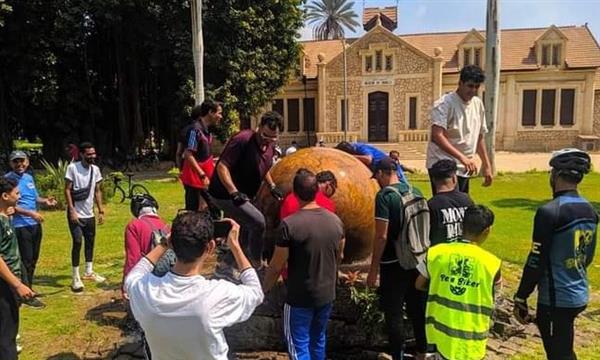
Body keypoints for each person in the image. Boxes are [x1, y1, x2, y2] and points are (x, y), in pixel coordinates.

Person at [125, 211, 263, 360]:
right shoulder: (216, 295)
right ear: (210, 247)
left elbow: (133, 275)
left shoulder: (145, 291)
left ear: (172, 243)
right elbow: (255, 292)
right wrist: (235, 246)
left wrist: (164, 244)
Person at [513, 148, 598, 360]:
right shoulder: (590, 210)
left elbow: (536, 260)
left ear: (556, 175)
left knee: (559, 354)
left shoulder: (549, 212)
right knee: (564, 350)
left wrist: (521, 297)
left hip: (555, 299)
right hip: (578, 291)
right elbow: (588, 256)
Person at [263, 169, 345, 360]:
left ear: (295, 192)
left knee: (298, 345)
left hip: (300, 296)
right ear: (317, 189)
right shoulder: (336, 221)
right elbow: (339, 255)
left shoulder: (290, 225)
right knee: (318, 339)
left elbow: (276, 265)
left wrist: (264, 289)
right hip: (326, 293)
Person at [415, 205, 501, 360]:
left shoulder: (436, 253)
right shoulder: (492, 264)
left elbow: (419, 284)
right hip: (472, 341)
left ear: (461, 225)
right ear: (487, 231)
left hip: (439, 336)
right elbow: (494, 295)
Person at [366, 157, 427, 360]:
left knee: (394, 312)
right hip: (417, 259)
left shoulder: (384, 196)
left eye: (377, 177)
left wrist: (373, 270)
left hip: (393, 262)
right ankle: (421, 350)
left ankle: (397, 355)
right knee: (416, 308)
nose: (377, 181)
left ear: (382, 173)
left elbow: (381, 236)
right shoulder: (415, 191)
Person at [209, 111, 284, 266]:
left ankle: (227, 266)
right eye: (265, 135)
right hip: (224, 194)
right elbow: (222, 166)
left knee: (243, 229)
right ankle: (256, 263)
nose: (268, 140)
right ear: (259, 127)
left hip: (244, 195)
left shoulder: (269, 147)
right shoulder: (242, 139)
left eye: (273, 137)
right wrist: (233, 192)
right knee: (258, 222)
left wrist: (272, 186)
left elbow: (263, 167)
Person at [425, 65, 492, 194]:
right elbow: (437, 136)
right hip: (442, 165)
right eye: (470, 86)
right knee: (447, 208)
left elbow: (479, 137)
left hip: (465, 166)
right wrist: (462, 158)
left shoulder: (477, 104)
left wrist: (487, 166)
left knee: (463, 207)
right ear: (460, 83)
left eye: (476, 87)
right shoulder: (445, 104)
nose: (473, 90)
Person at [5, 151, 57, 308]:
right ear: (11, 163)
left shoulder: (28, 178)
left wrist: (45, 201)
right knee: (25, 260)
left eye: (22, 161)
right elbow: (10, 205)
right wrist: (30, 213)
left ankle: (29, 288)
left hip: (34, 224)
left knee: (33, 259)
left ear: (27, 162)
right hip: (20, 225)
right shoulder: (8, 180)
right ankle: (26, 294)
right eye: (16, 162)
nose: (19, 164)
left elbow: (34, 198)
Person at [0, 177, 35, 359]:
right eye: (17, 193)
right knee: (7, 336)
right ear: (5, 196)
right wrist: (17, 285)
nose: (20, 195)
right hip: (4, 284)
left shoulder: (6, 216)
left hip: (10, 281)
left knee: (9, 330)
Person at [64, 142, 105, 292]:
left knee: (90, 241)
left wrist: (100, 210)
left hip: (90, 214)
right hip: (76, 213)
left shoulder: (95, 170)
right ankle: (75, 276)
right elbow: (67, 190)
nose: (92, 157)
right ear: (81, 154)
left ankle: (89, 271)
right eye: (89, 154)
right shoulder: (72, 168)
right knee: (77, 241)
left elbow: (97, 190)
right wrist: (72, 210)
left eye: (93, 154)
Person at [179, 100, 223, 211]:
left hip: (205, 179)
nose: (220, 116)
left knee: (214, 209)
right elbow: (188, 154)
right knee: (193, 212)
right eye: (219, 113)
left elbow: (203, 155)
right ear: (210, 112)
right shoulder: (195, 130)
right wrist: (202, 175)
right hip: (195, 180)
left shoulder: (207, 131)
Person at [123, 194, 170, 295]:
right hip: (168, 280)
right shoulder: (165, 225)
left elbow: (133, 259)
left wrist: (126, 285)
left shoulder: (134, 226)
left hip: (147, 282)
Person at [427, 159, 474, 246]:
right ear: (454, 178)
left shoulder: (430, 205)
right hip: (465, 254)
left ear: (433, 180)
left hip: (440, 256)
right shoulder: (467, 200)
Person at [335, 141, 409, 184]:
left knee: (403, 187)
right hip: (378, 171)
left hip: (389, 167)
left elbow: (368, 159)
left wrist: (350, 156)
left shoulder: (361, 147)